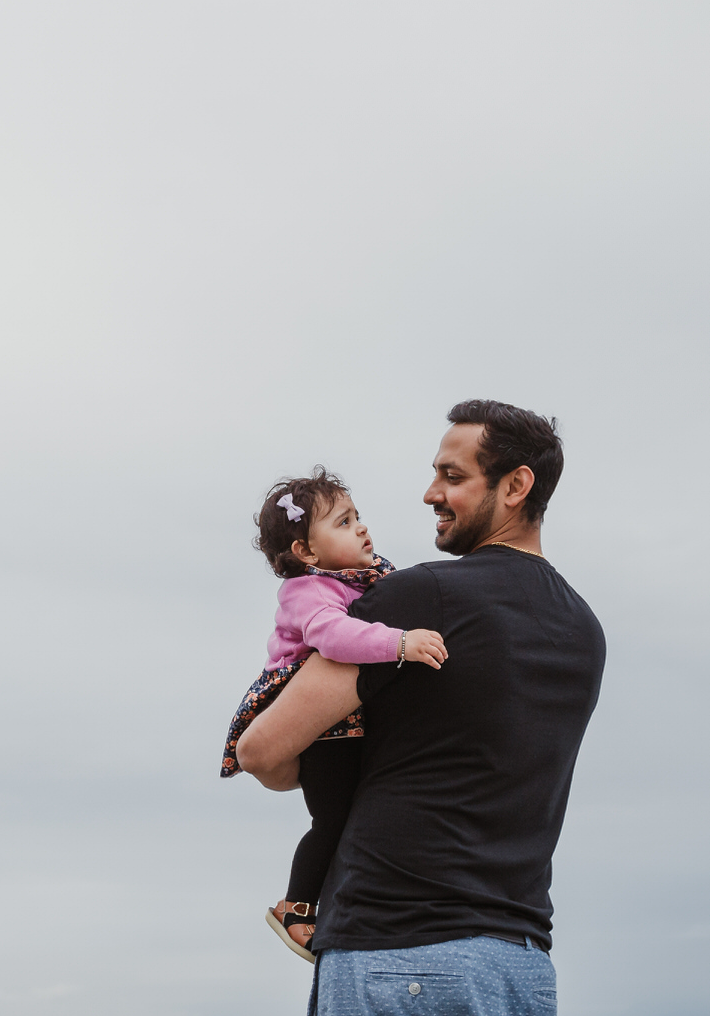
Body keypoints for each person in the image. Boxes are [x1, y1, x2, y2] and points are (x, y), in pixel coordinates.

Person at [237, 400, 605, 1016]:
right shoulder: (582, 628)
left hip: (398, 949)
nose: (430, 493)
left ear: (517, 486)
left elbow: (263, 750)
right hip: (520, 964)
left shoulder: (423, 595)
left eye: (453, 477)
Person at [220, 468, 450, 962]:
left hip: (348, 722)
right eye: (344, 523)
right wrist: (401, 643)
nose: (362, 527)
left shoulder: (367, 576)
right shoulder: (309, 592)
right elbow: (334, 639)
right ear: (306, 552)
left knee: (355, 811)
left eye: (357, 516)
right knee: (333, 819)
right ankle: (296, 907)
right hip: (320, 727)